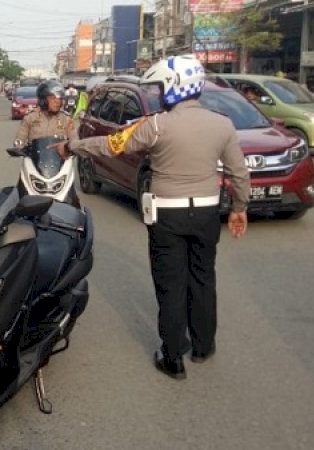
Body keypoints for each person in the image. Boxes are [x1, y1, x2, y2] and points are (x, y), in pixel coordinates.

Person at [56, 55, 250, 380]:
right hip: (205, 213)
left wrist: (73, 147)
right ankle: (203, 347)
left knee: (170, 284)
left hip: (167, 215)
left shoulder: (156, 125)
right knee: (203, 277)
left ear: (174, 88)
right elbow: (238, 173)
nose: (159, 93)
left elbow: (111, 145)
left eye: (160, 86)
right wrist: (240, 208)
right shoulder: (222, 124)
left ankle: (172, 357)